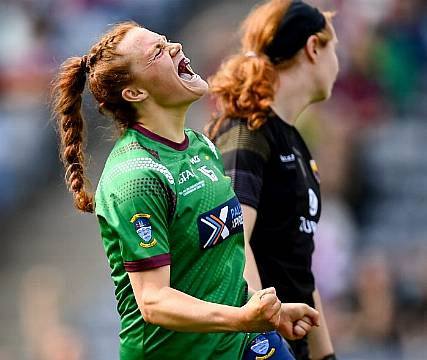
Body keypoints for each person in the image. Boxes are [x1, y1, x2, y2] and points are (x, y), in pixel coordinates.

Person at [51, 21, 320, 359]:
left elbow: (215, 266)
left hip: (238, 345)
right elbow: (154, 301)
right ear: (135, 93)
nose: (174, 47)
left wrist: (266, 312)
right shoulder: (137, 177)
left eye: (166, 41)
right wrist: (240, 319)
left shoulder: (199, 146)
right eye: (157, 53)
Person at [207, 1, 339, 359]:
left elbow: (299, 266)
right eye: (334, 48)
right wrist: (263, 333)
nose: (336, 63)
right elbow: (232, 241)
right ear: (314, 48)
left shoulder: (293, 140)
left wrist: (324, 355)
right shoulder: (247, 133)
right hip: (258, 346)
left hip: (289, 343)